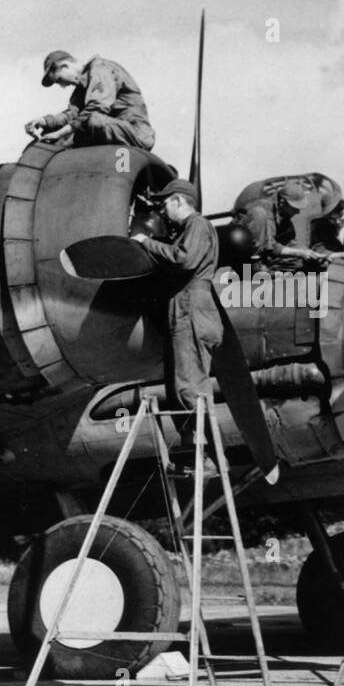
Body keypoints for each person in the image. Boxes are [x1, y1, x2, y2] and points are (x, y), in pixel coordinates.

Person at [131, 178, 221, 475]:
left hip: (190, 309)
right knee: (179, 385)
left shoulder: (197, 225)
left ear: (179, 201)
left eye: (165, 203)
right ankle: (193, 452)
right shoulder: (193, 230)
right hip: (186, 309)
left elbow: (183, 260)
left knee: (188, 386)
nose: (163, 209)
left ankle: (202, 455)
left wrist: (146, 242)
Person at [25, 51, 156, 150]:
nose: (63, 85)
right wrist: (44, 121)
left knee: (93, 120)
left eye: (59, 80)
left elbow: (96, 108)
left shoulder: (101, 69)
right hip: (108, 130)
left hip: (135, 133)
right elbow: (72, 115)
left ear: (64, 66)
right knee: (48, 136)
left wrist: (59, 134)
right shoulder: (81, 88)